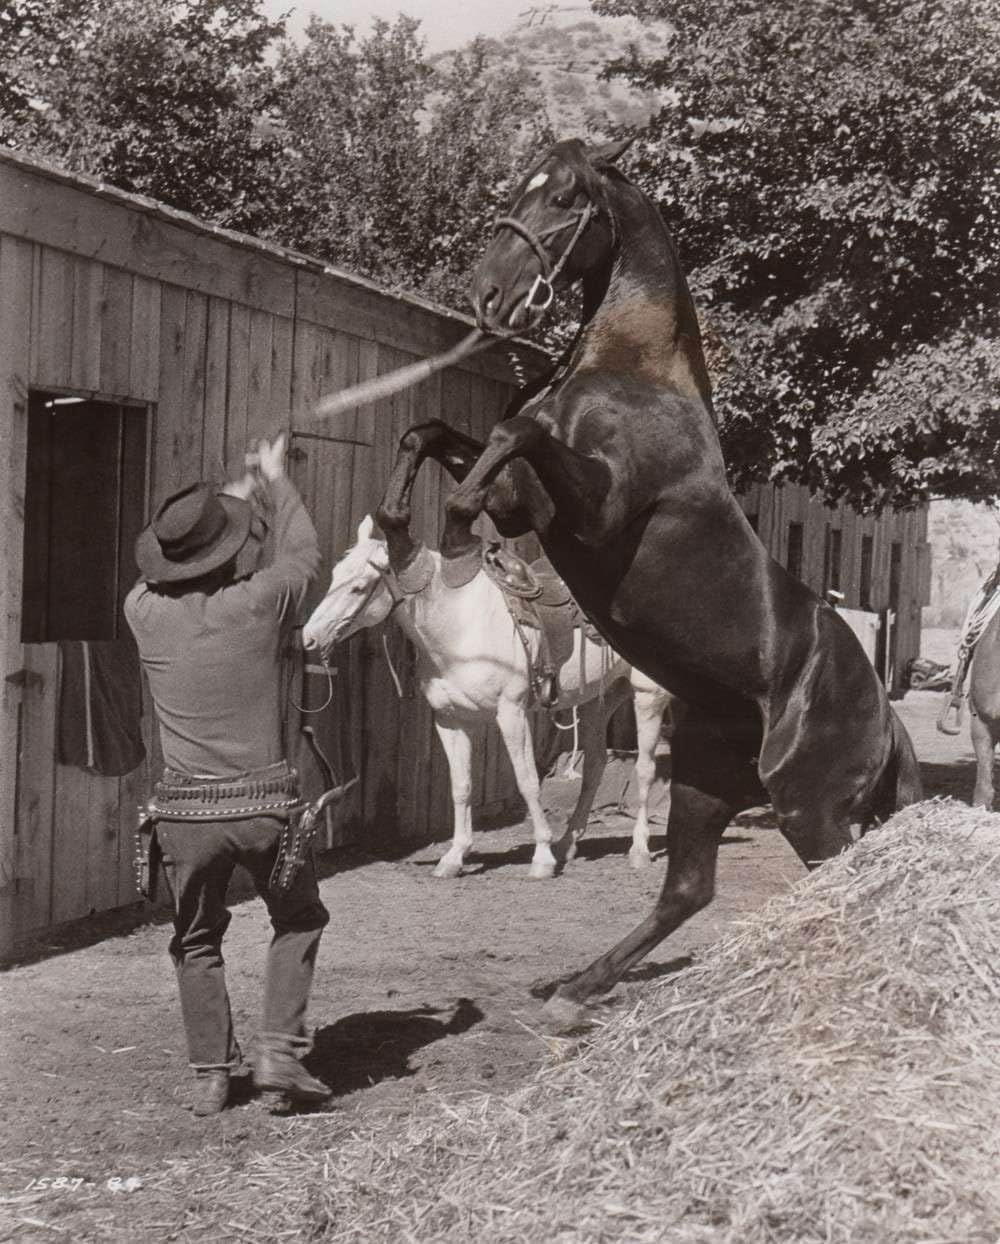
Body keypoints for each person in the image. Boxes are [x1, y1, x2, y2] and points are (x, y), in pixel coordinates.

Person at [125, 433, 331, 1116]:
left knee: (194, 939)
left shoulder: (143, 614)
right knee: (299, 918)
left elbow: (177, 561)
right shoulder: (261, 602)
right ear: (229, 551)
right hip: (265, 809)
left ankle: (214, 1074)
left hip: (183, 821)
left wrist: (223, 508)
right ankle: (278, 1053)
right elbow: (304, 553)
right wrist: (272, 480)